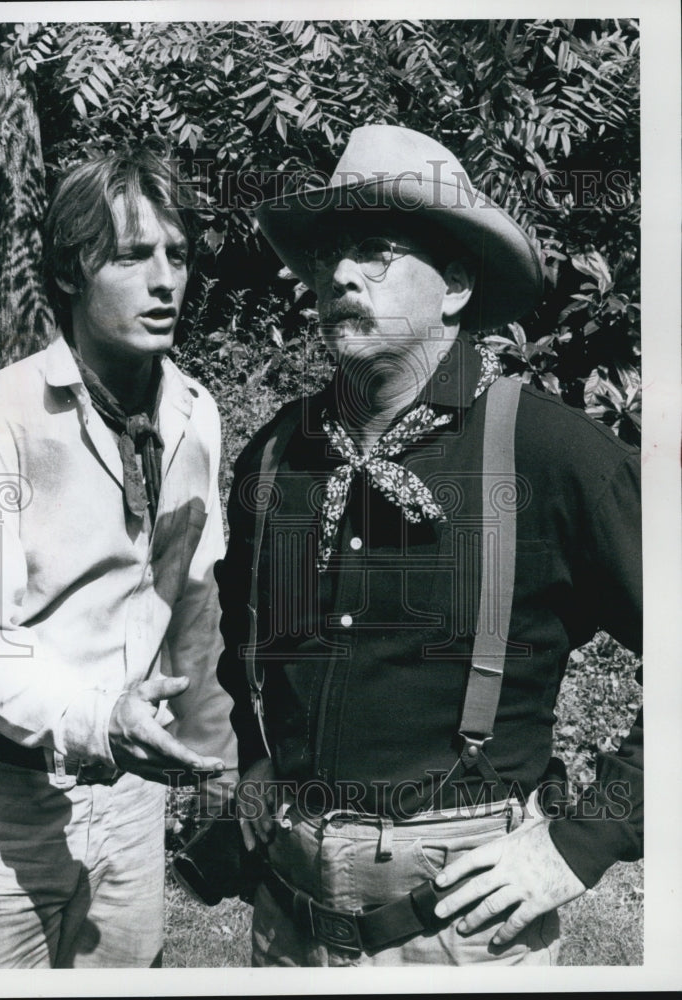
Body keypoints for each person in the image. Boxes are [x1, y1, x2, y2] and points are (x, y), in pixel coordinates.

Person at [216, 125, 642, 966]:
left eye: (375, 252)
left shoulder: (552, 456)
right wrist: (255, 756)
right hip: (288, 917)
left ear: (453, 284)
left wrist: (582, 843)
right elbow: (241, 638)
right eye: (331, 254)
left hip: (464, 928)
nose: (337, 274)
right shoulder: (274, 455)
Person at [0, 147, 237, 968]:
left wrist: (213, 758)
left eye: (177, 255)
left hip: (135, 801)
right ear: (70, 274)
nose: (165, 280)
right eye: (133, 256)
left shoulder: (194, 416)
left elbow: (195, 598)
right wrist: (101, 719)